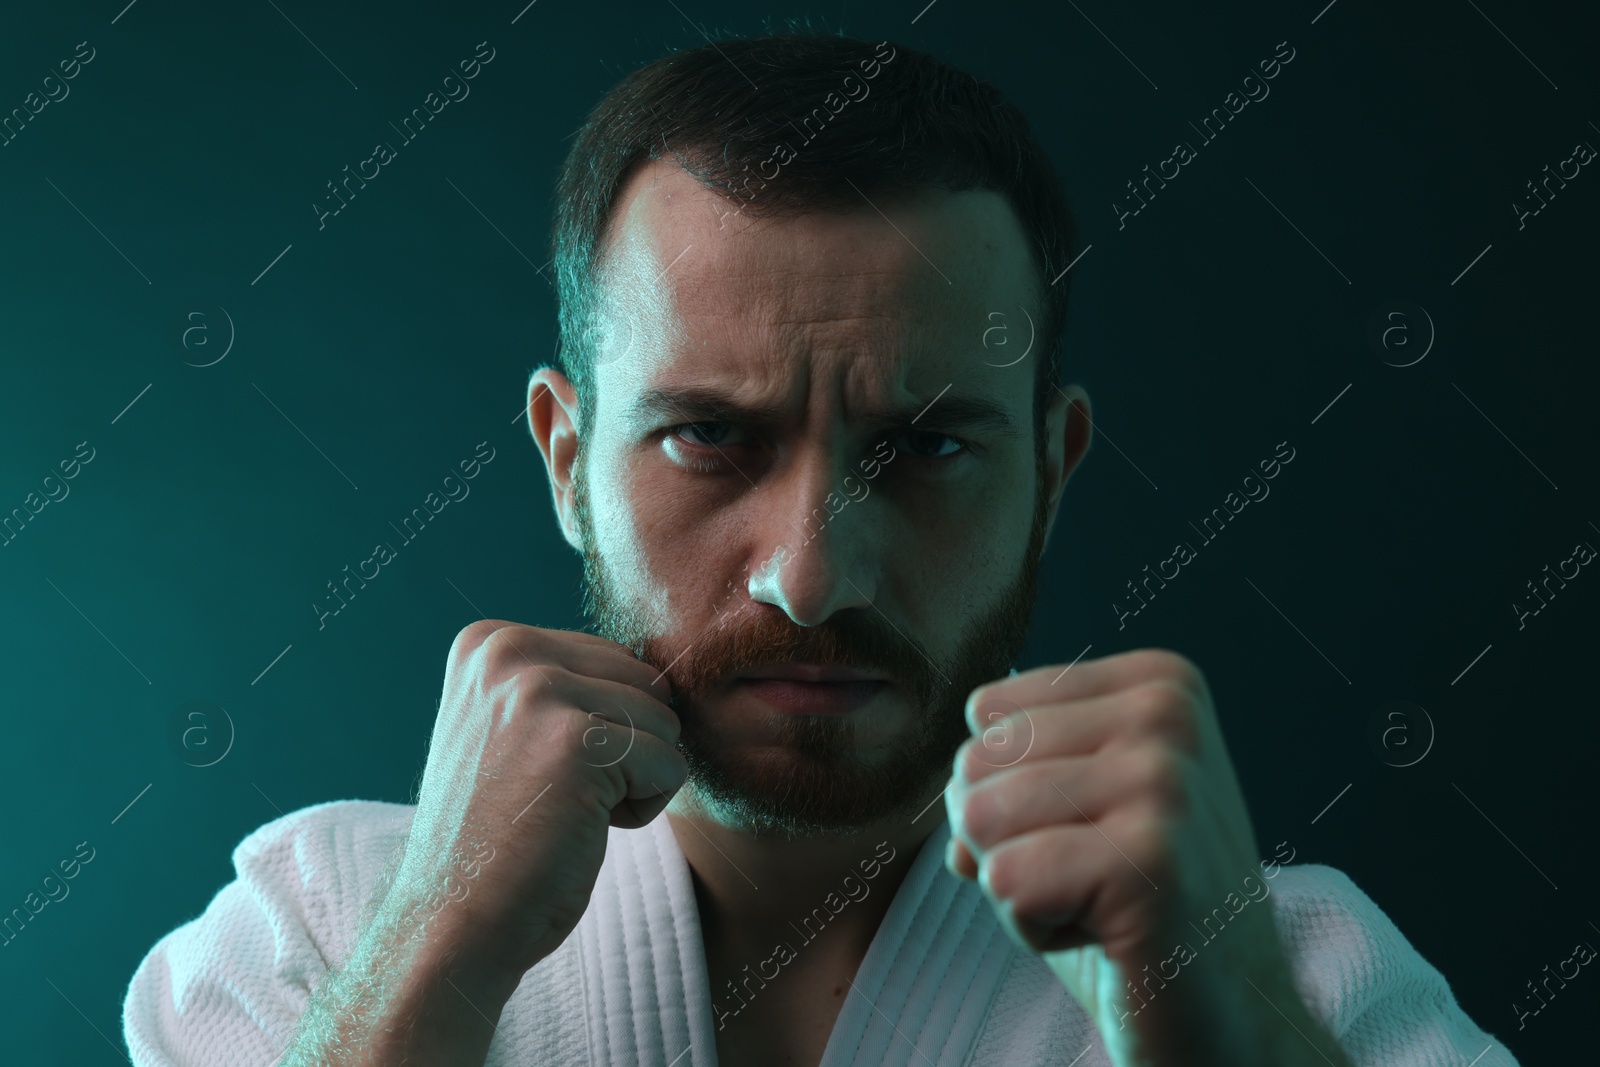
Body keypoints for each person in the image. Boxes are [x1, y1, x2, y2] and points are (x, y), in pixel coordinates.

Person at [123, 31, 1520, 1067]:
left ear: (1052, 471)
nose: (813, 574)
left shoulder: (1300, 978)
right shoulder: (320, 938)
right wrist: (431, 960)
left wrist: (1234, 1032)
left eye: (922, 448)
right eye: (709, 440)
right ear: (565, 459)